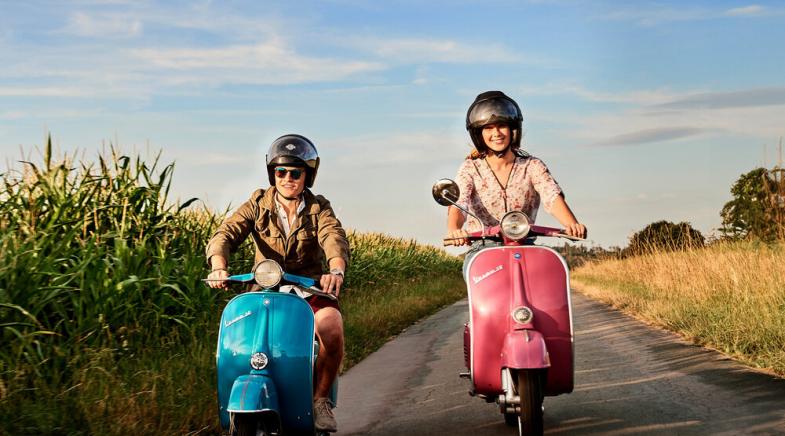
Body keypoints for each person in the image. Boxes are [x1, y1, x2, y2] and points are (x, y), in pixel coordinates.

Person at [205, 134, 349, 433]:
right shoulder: (257, 203)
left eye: (296, 173)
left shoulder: (318, 208)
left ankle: (320, 399)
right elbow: (226, 233)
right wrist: (219, 266)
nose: (287, 178)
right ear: (273, 173)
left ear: (307, 175)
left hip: (308, 288)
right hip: (264, 289)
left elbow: (333, 237)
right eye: (281, 172)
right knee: (240, 343)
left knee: (331, 326)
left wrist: (335, 269)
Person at [446, 90, 587, 246]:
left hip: (525, 245)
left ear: (512, 129)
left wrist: (571, 225)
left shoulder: (532, 166)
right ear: (479, 134)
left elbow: (551, 196)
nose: (496, 133)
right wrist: (454, 230)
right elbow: (459, 203)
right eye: (489, 128)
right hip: (483, 248)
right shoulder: (470, 168)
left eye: (501, 126)